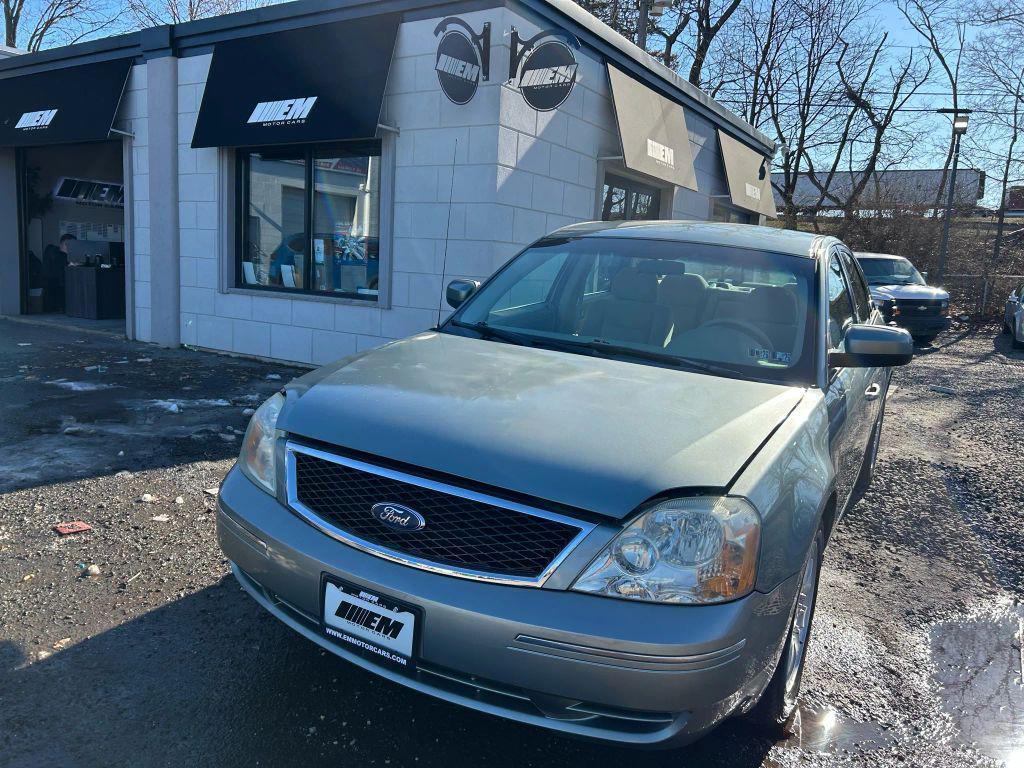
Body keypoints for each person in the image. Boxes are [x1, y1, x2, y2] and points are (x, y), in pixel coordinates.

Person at [42, 233, 76, 313]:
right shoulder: (54, 253)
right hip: (53, 288)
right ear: (61, 244)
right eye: (67, 244)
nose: (69, 247)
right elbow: (58, 264)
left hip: (55, 288)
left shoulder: (61, 255)